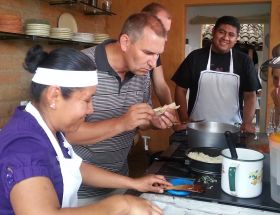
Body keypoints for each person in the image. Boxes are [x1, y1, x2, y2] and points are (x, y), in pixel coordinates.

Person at [0, 45, 172, 214]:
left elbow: (75, 167)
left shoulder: (48, 128)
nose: (91, 110)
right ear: (54, 96)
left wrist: (133, 183)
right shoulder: (24, 148)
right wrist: (122, 204)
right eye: (86, 100)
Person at [65, 13, 176, 205]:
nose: (153, 63)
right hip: (78, 190)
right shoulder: (81, 67)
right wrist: (121, 123)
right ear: (125, 42)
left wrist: (153, 122)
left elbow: (137, 123)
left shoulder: (142, 72)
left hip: (120, 181)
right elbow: (65, 134)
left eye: (158, 55)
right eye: (148, 53)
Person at [172, 16, 261, 133]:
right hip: (197, 128)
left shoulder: (244, 61)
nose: (225, 38)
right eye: (221, 32)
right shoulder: (195, 57)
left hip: (232, 129)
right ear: (213, 31)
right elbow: (180, 89)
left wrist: (247, 123)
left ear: (237, 38)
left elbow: (250, 95)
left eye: (231, 35)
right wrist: (184, 119)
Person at [141, 2, 173, 106]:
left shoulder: (155, 54)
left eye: (166, 32)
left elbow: (161, 86)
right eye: (161, 31)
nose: (166, 38)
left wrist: (171, 114)